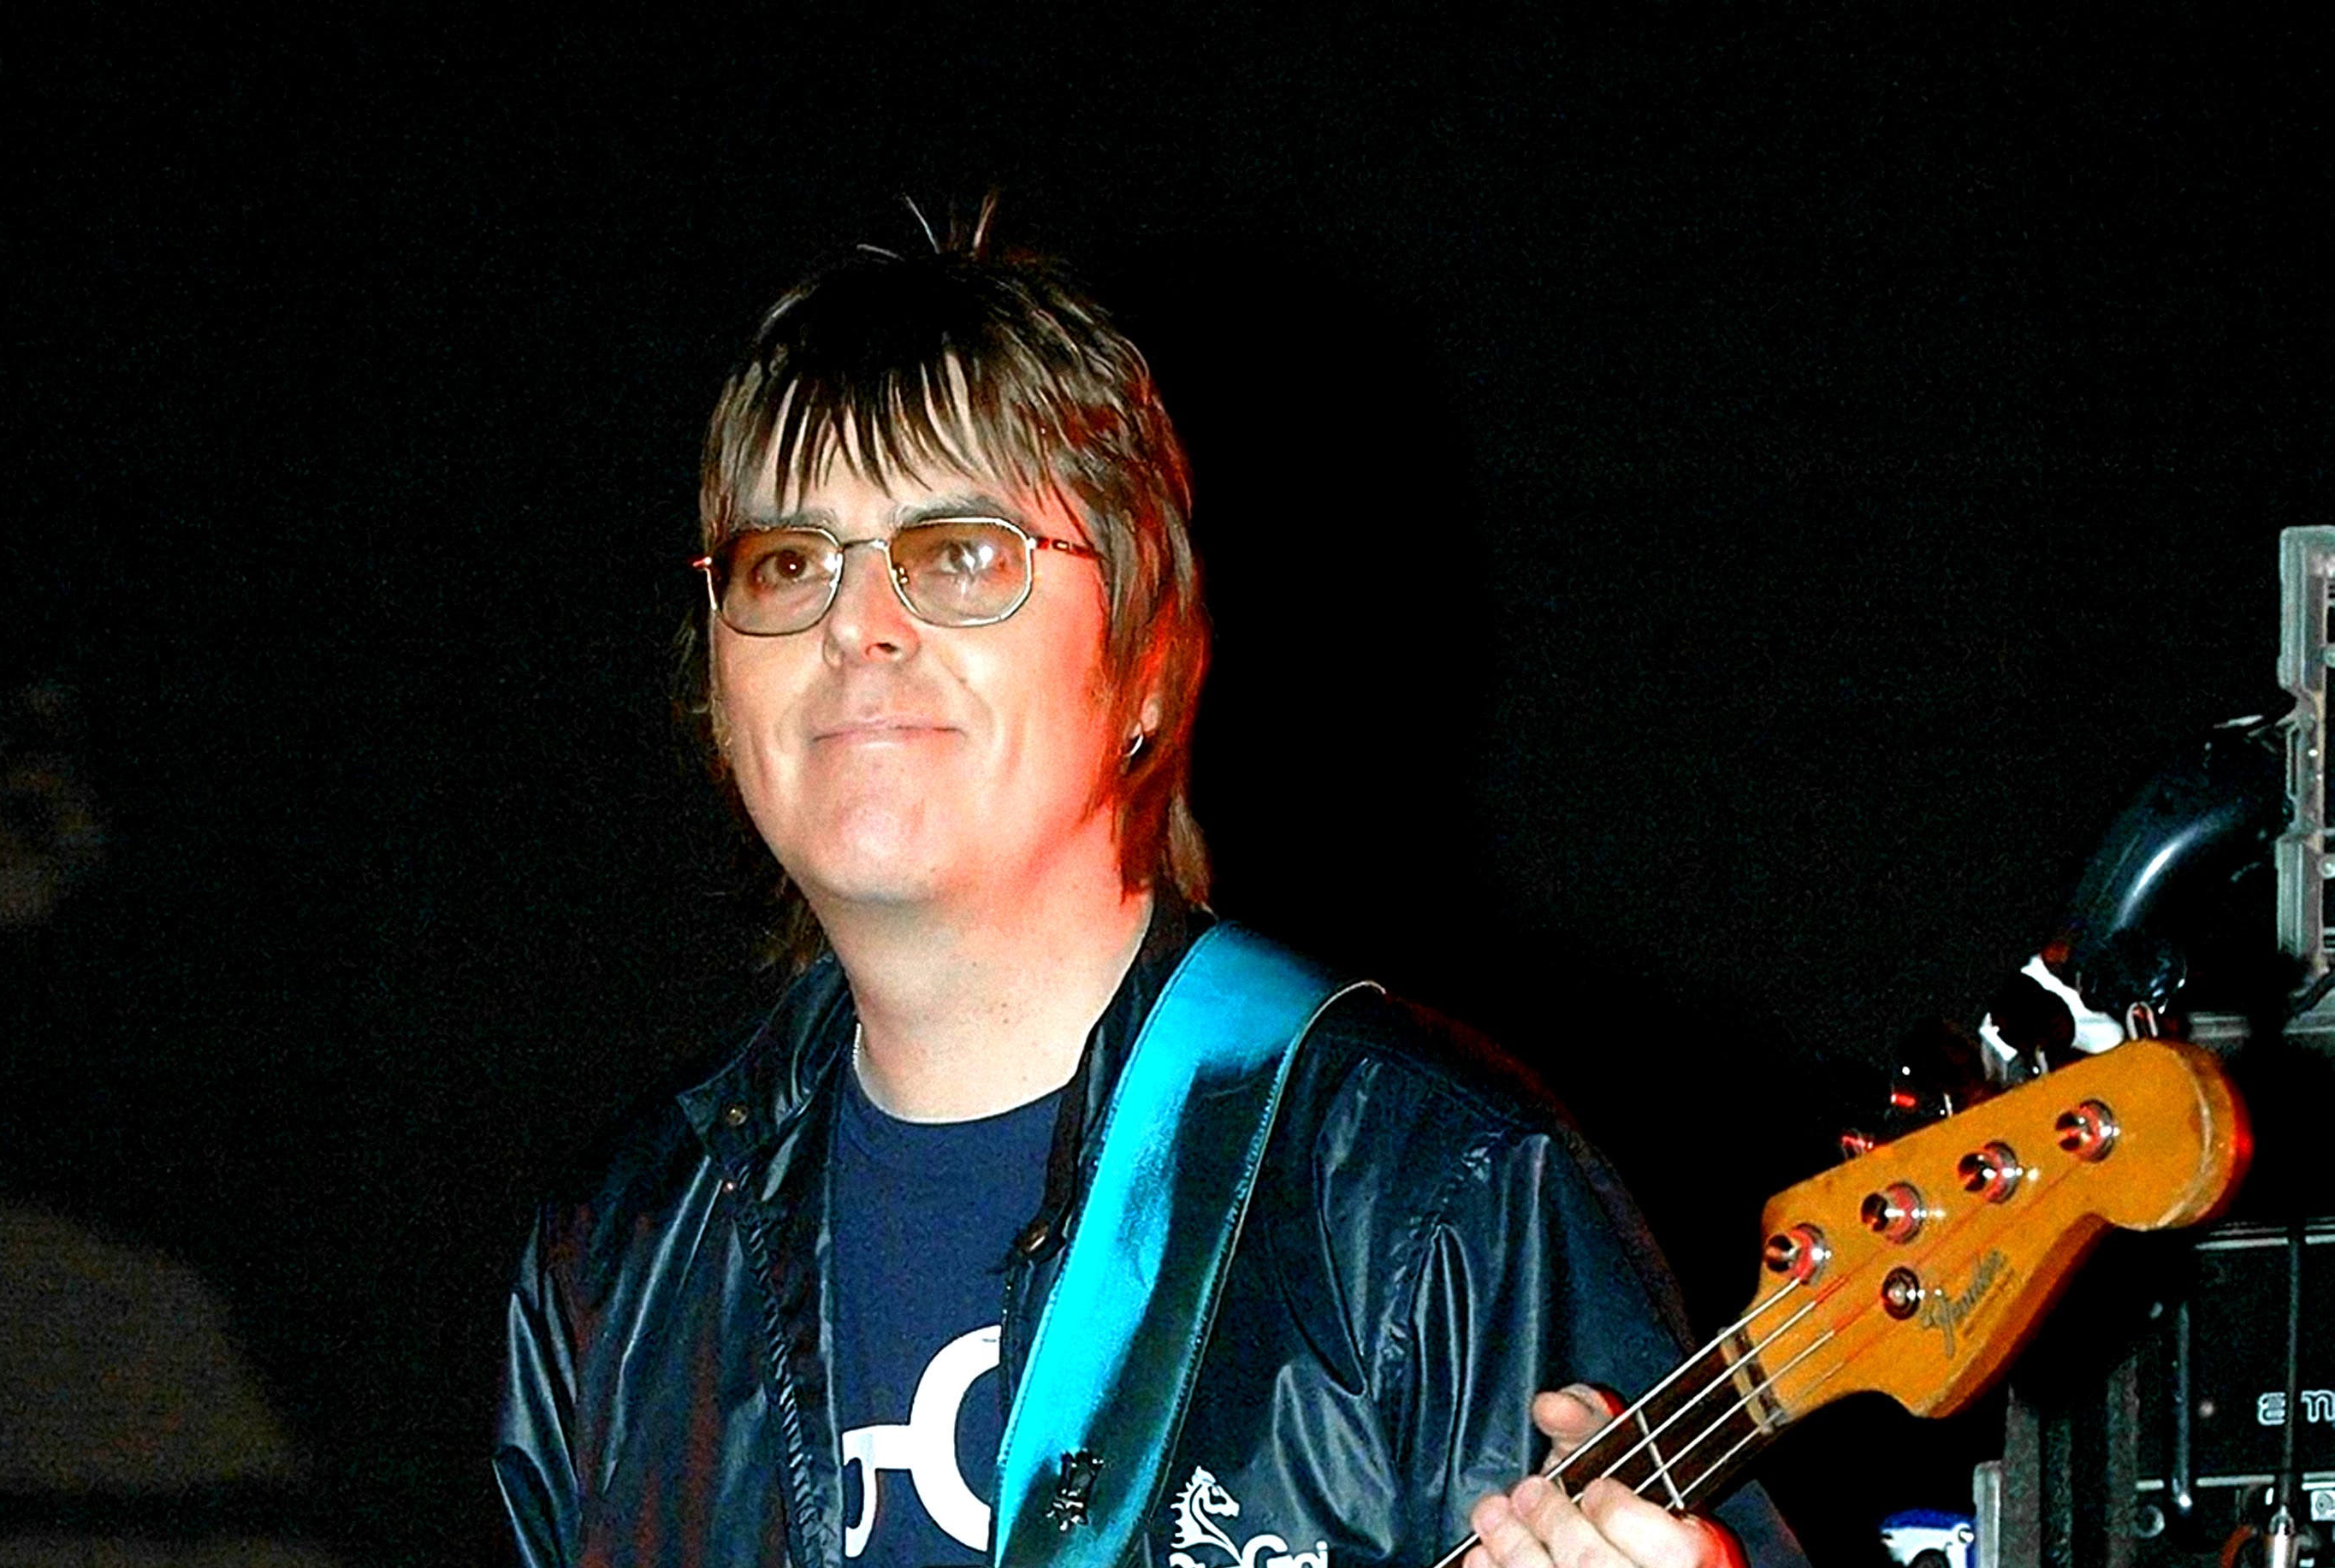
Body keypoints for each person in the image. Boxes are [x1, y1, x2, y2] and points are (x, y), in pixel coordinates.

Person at [493, 234, 1806, 1568]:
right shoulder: (621, 1251)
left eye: (957, 554)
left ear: (1146, 666)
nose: (857, 623)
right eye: (786, 562)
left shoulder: (1424, 1188)